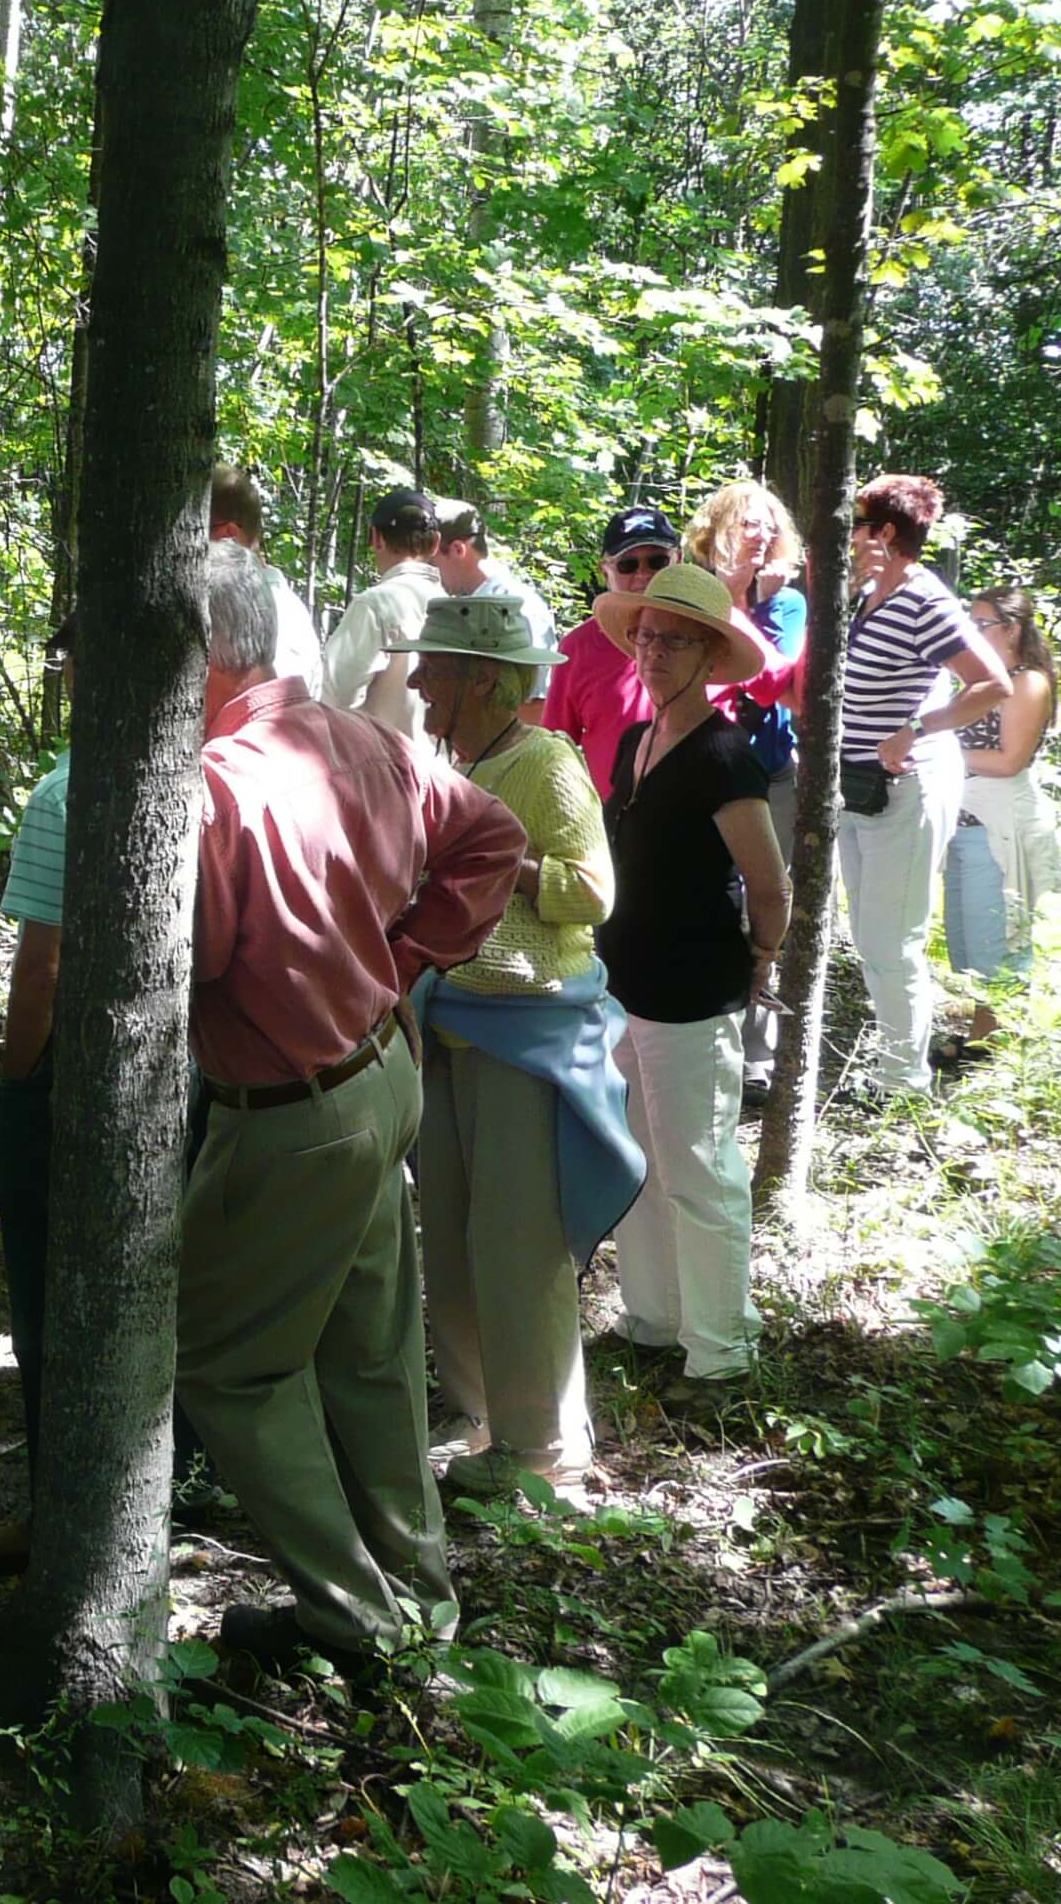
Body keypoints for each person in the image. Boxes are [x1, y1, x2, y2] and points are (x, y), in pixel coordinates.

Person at [184, 543, 526, 1669]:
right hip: (381, 1072)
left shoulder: (220, 785)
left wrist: (404, 947)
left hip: (296, 1111)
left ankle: (356, 1617)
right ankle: (421, 1601)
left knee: (228, 1368)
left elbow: (198, 958)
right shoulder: (355, 737)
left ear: (203, 652)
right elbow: (488, 833)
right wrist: (402, 954)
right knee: (370, 1353)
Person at [388, 593, 644, 1503]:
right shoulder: (452, 761)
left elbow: (592, 894)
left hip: (528, 1028)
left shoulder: (547, 762)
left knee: (517, 1242)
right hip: (452, 1017)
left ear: (485, 679)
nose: (416, 680)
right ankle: (478, 1415)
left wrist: (501, 861)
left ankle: (541, 1446)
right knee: (452, 1236)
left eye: (435, 666)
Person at [592, 560, 791, 1391]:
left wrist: (762, 957)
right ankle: (654, 1319)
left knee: (699, 1167)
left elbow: (770, 884)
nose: (653, 651)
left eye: (675, 640)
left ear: (711, 655)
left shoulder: (723, 755)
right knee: (636, 1157)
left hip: (691, 992)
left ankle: (720, 1351)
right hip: (621, 986)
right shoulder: (639, 741)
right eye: (645, 635)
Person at [838, 476, 1010, 1098]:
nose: (849, 538)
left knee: (893, 938)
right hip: (860, 788)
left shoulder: (925, 599)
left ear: (884, 533)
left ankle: (902, 1085)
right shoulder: (867, 595)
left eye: (857, 526)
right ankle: (894, 1065)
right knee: (870, 934)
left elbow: (992, 685)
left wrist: (915, 728)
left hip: (909, 788)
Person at [0, 621, 73, 1577]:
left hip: (75, 1077)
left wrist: (17, 1077)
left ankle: (62, 1511)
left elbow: (42, 960)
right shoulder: (222, 771)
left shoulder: (68, 790)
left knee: (47, 1292)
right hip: (206, 1069)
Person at [685, 480, 808, 1095]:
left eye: (768, 525)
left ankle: (757, 1056)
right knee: (710, 901)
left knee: (767, 900)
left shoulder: (786, 606)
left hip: (767, 773)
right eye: (746, 523)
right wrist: (725, 597)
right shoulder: (690, 595)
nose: (759, 535)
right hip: (700, 770)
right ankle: (710, 1033)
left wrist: (739, 604)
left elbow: (770, 681)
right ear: (715, 531)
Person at [943, 588, 1061, 1043]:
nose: (970, 633)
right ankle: (982, 1037)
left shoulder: (1027, 682)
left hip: (997, 831)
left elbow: (1009, 760)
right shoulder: (980, 680)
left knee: (997, 945)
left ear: (1012, 630)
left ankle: (992, 1048)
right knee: (966, 944)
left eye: (981, 625)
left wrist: (936, 748)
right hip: (962, 826)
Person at [543, 505, 681, 803]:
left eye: (657, 561)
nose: (643, 575)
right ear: (605, 570)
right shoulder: (577, 648)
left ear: (678, 561)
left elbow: (778, 685)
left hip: (706, 818)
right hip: (615, 825)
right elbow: (557, 746)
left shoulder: (713, 630)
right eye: (628, 565)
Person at [318, 488, 447, 743]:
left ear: (376, 538)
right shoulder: (453, 609)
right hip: (443, 777)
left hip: (382, 773)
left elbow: (335, 698)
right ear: (435, 544)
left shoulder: (374, 606)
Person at [209, 464, 325, 695]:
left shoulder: (268, 616)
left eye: (192, 533)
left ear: (228, 535)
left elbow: (269, 721)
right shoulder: (279, 605)